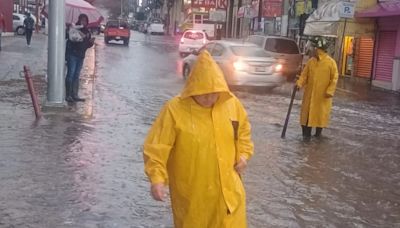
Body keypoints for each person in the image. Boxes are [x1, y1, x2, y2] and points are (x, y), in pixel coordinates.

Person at [143, 51, 254, 228]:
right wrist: (157, 179)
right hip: (194, 198)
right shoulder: (174, 110)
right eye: (204, 94)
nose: (210, 98)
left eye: (214, 93)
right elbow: (157, 147)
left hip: (230, 196)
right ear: (193, 88)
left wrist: (243, 156)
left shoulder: (231, 104)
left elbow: (243, 134)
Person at [296, 36, 339, 139]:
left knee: (319, 118)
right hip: (309, 96)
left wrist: (329, 91)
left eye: (313, 48)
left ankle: (317, 137)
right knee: (306, 117)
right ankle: (305, 139)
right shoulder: (311, 62)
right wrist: (299, 84)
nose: (311, 50)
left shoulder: (330, 63)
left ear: (318, 49)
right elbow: (304, 75)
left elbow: (334, 78)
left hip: (322, 97)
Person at [65, 14, 95, 102]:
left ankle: (75, 94)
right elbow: (67, 38)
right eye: (82, 20)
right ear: (79, 20)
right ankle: (68, 95)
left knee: (76, 75)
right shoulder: (74, 29)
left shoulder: (87, 32)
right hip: (72, 54)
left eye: (85, 21)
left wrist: (91, 43)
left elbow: (86, 45)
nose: (83, 22)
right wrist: (69, 29)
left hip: (81, 56)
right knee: (71, 74)